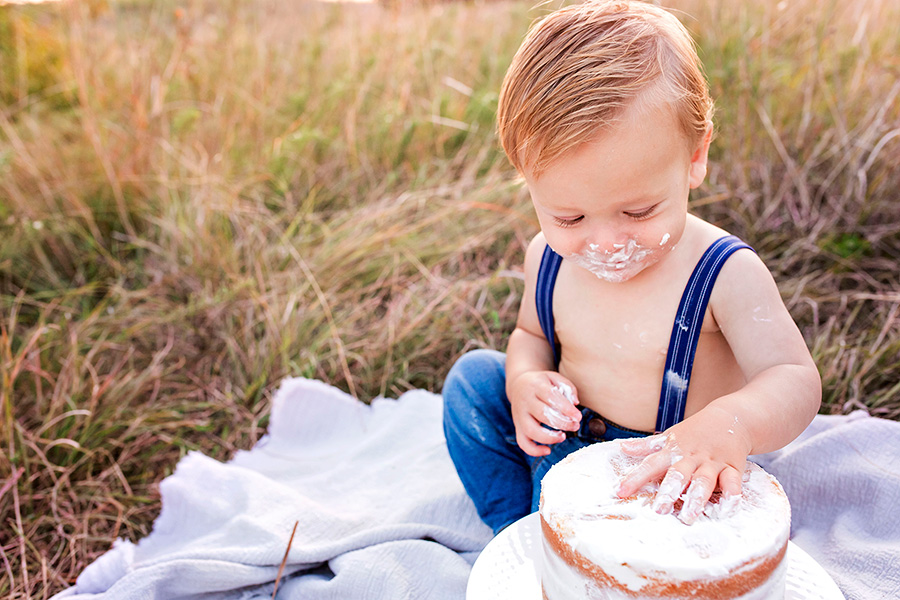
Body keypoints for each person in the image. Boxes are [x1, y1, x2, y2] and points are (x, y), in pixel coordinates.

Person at [442, 0, 821, 535]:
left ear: (695, 157)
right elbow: (530, 334)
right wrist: (527, 381)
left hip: (665, 476)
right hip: (563, 447)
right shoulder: (546, 258)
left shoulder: (722, 273)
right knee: (472, 384)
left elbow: (795, 379)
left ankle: (559, 541)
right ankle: (520, 535)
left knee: (652, 549)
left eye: (638, 211)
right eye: (568, 216)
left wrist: (728, 426)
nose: (605, 243)